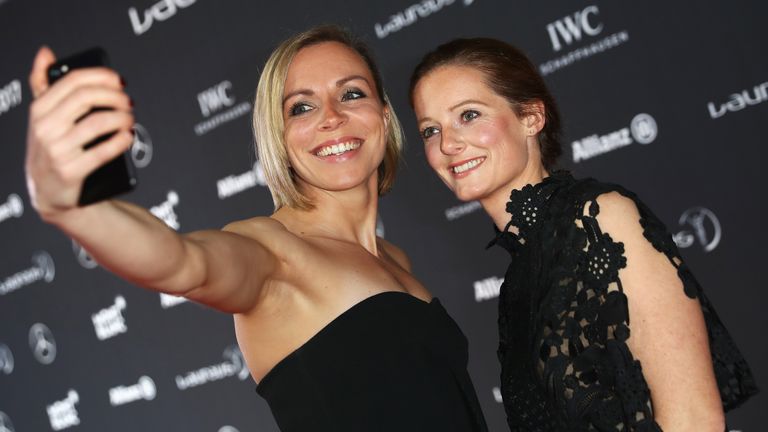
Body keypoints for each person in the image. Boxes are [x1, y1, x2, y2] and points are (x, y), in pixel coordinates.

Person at [25, 25, 488, 431]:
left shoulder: (394, 258)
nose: (331, 117)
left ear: (384, 116)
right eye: (301, 108)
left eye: (351, 94)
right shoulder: (271, 248)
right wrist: (73, 208)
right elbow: (183, 261)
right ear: (279, 137)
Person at [409, 38, 757, 431]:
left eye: (469, 115)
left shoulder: (598, 218)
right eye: (429, 130)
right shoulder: (519, 276)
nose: (448, 143)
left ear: (531, 117)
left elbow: (694, 418)